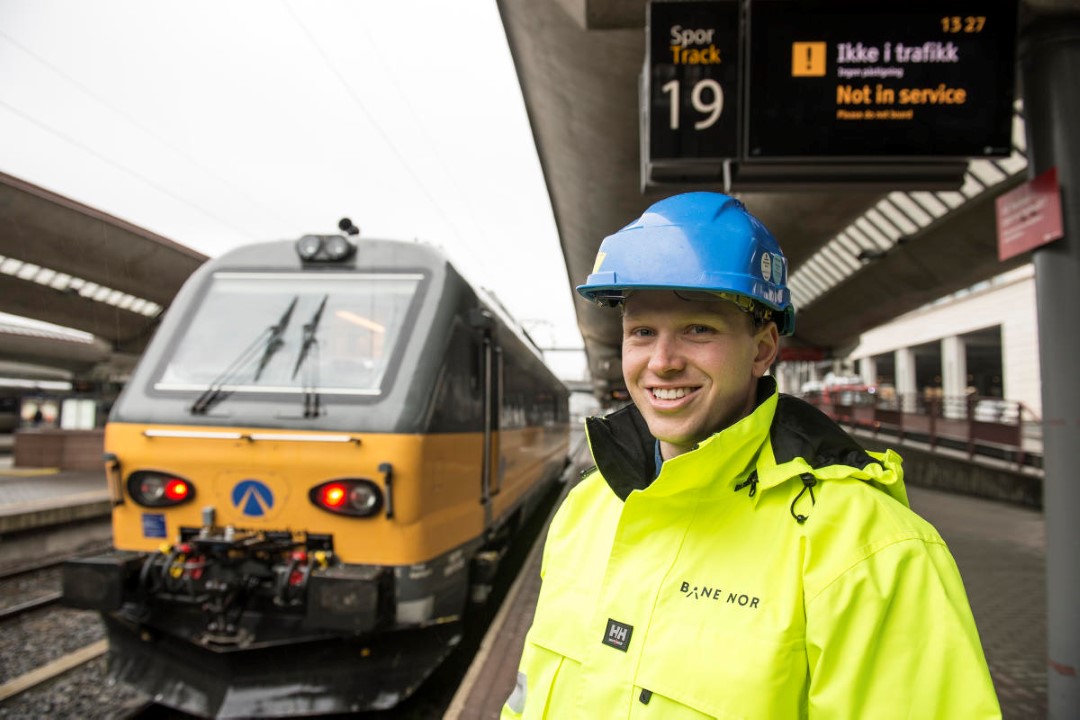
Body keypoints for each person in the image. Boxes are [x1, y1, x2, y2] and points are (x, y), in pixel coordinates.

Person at [502, 192, 1000, 718]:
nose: (662, 362)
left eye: (698, 329)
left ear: (762, 349)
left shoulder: (871, 549)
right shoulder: (586, 509)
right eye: (642, 332)